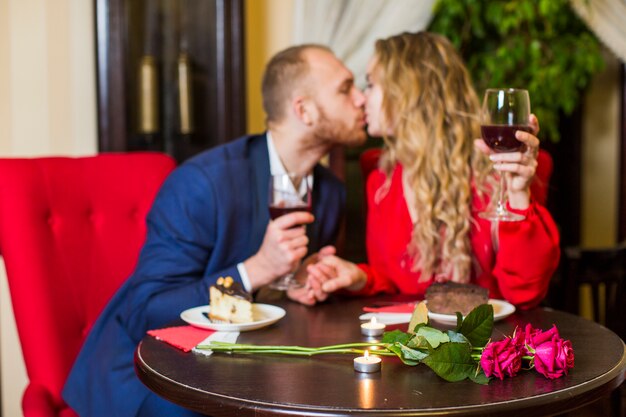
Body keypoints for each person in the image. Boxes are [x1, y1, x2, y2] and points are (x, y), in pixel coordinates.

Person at [62, 44, 367, 417]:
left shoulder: (331, 192)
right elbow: (145, 310)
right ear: (303, 109)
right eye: (345, 88)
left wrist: (302, 281)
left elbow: (281, 301)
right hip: (154, 380)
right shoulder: (201, 184)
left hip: (250, 372)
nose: (362, 99)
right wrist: (256, 270)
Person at [306, 31, 560, 309]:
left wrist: (518, 193)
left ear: (408, 93)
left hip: (486, 346)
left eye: (371, 85)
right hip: (408, 346)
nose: (363, 99)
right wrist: (359, 277)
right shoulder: (381, 178)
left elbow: (525, 293)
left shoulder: (495, 167)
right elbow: (398, 284)